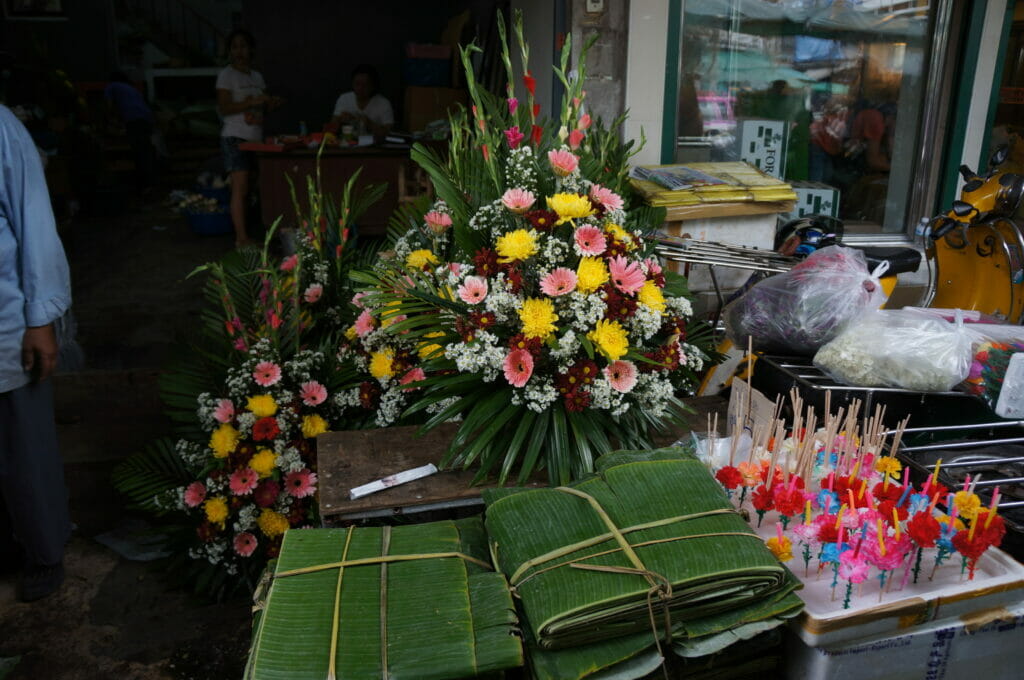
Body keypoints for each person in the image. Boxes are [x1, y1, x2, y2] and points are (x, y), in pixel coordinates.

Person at [0, 103, 73, 602]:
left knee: (24, 448)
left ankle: (44, 551)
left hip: (5, 318)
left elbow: (33, 219)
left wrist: (41, 318)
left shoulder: (2, 127)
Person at [216, 29, 282, 248]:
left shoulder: (256, 76)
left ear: (251, 50)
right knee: (240, 187)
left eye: (243, 46)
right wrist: (252, 102)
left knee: (254, 188)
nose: (239, 51)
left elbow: (261, 109)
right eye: (235, 47)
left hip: (256, 137)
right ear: (230, 51)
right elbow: (224, 108)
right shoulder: (227, 75)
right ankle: (241, 238)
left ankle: (251, 231)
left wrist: (270, 104)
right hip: (234, 137)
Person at [104, 71, 156, 191]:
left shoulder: (112, 86)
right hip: (146, 120)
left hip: (135, 121)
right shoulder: (131, 89)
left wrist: (108, 121)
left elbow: (108, 105)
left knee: (139, 152)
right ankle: (148, 183)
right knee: (145, 150)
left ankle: (145, 184)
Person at [330, 64, 394, 140]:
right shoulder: (344, 98)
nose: (360, 88)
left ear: (373, 86)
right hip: (348, 145)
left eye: (365, 85)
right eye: (357, 84)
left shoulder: (383, 103)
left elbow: (389, 133)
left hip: (375, 148)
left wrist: (368, 123)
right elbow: (331, 128)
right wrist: (340, 120)